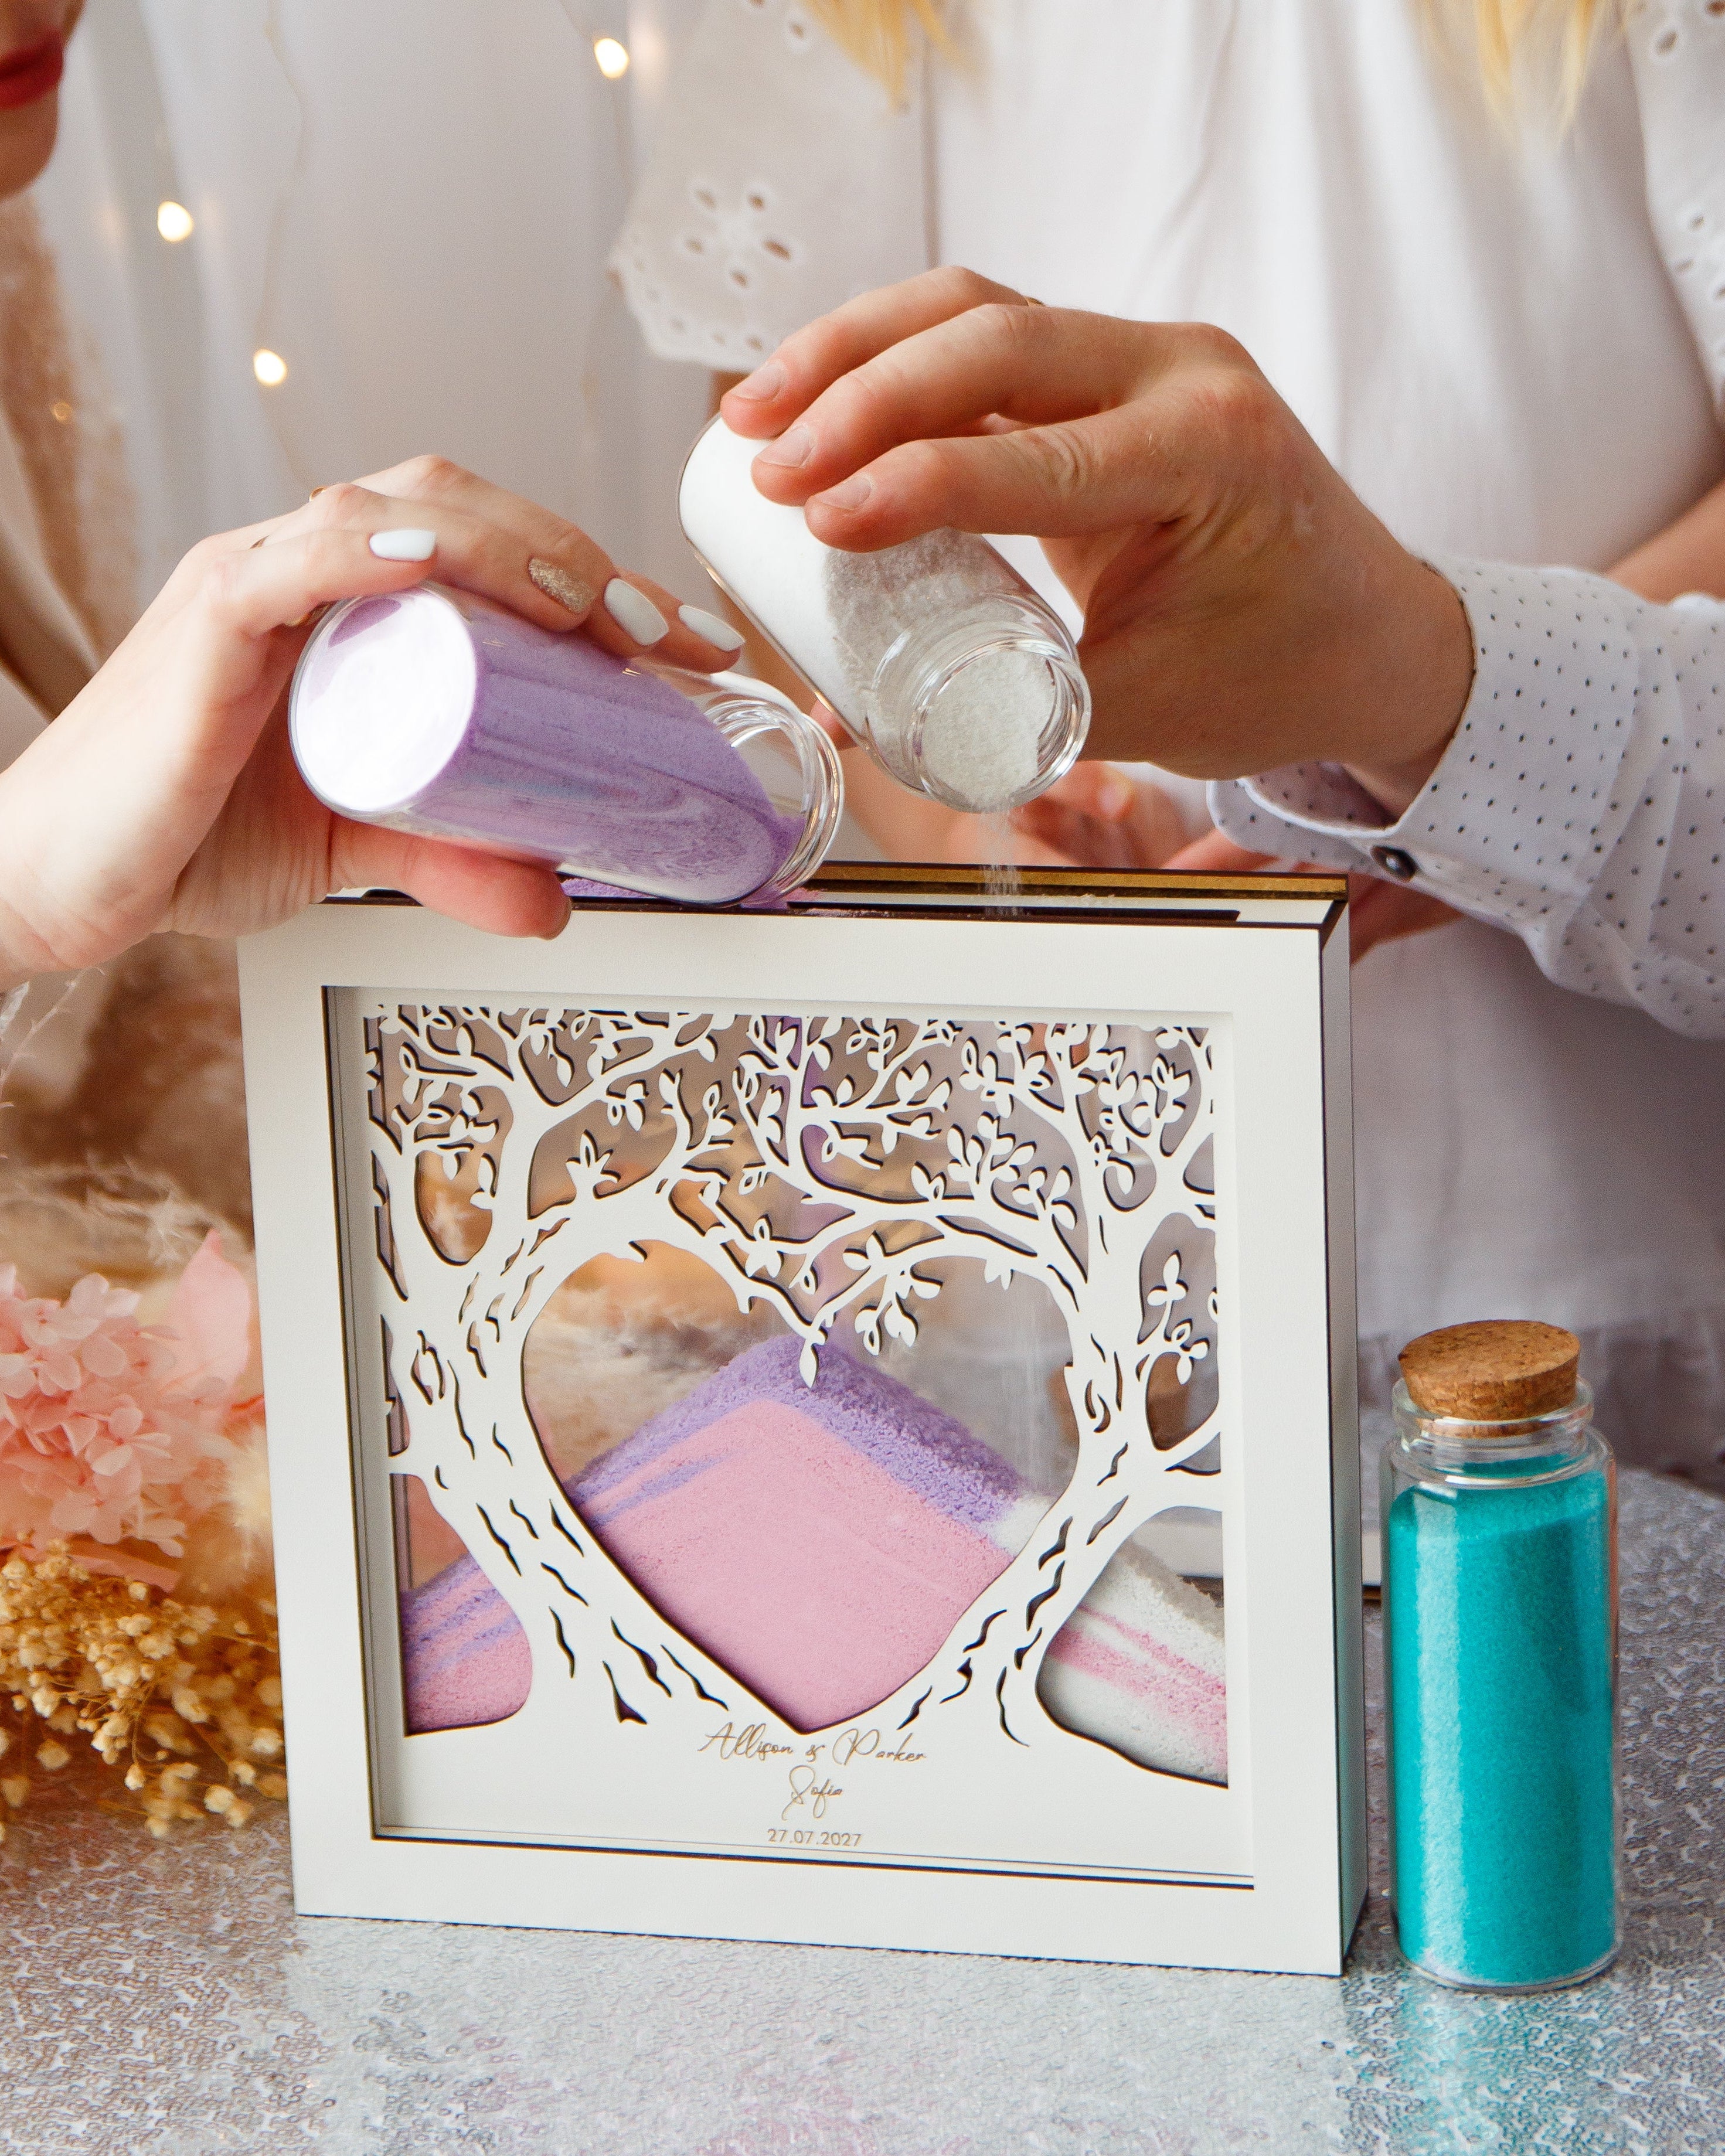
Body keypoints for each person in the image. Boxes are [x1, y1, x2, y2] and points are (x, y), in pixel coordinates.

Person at [612, 0, 1725, 1486]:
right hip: (1106, 1155)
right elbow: (787, 514)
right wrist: (973, 827)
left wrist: (1442, 733)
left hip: (1591, 1106)